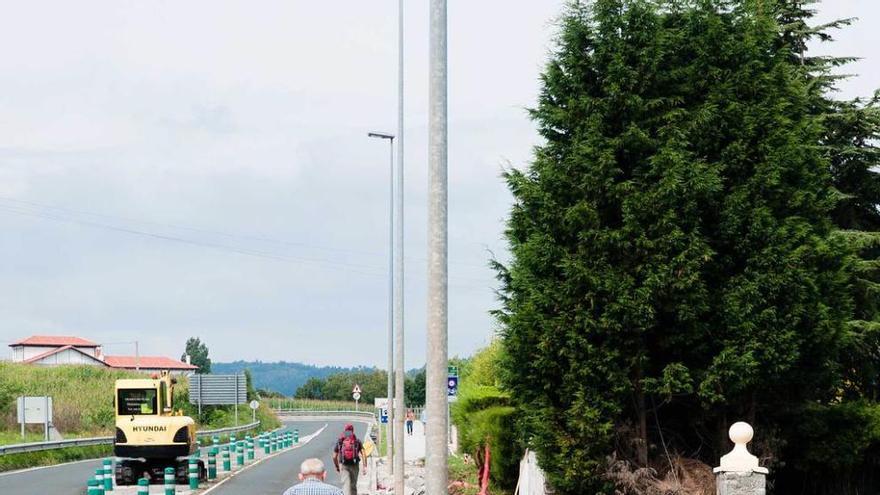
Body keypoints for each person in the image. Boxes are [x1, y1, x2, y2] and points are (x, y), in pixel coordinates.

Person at [332, 423, 366, 495]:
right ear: (352, 430)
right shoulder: (357, 440)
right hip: (354, 465)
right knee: (353, 485)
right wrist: (364, 466)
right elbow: (363, 453)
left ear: (345, 431)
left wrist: (337, 466)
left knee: (346, 486)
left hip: (344, 465)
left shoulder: (340, 441)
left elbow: (334, 456)